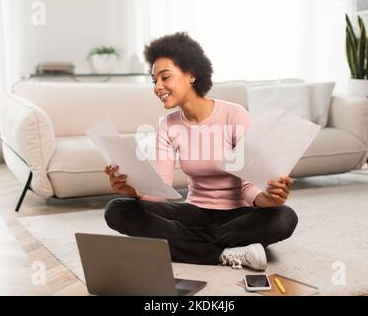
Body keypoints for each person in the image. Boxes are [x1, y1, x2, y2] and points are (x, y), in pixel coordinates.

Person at [104, 32, 298, 271]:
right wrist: (134, 191)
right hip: (193, 212)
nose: (158, 87)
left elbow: (248, 186)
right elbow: (160, 191)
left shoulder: (234, 115)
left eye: (165, 77)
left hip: (239, 214)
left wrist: (267, 199)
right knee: (117, 209)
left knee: (284, 217)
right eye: (154, 80)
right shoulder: (167, 124)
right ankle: (224, 252)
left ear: (191, 74)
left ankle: (186, 242)